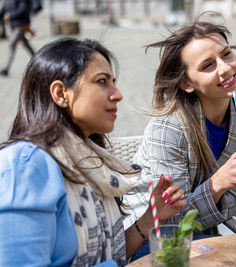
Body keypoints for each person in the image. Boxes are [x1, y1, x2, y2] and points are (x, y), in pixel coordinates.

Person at [0, 38, 186, 266]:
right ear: (60, 93)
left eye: (113, 82)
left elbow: (110, 257)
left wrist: (150, 216)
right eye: (101, 82)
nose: (118, 95)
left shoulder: (94, 162)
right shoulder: (25, 165)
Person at [123, 18, 236, 240]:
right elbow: (170, 218)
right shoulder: (169, 129)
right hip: (148, 238)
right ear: (186, 83)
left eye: (226, 53)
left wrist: (219, 193)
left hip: (204, 232)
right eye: (208, 65)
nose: (226, 68)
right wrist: (217, 184)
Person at [0, 0, 35, 77]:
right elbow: (3, 10)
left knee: (12, 44)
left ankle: (6, 68)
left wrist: (10, 15)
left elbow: (23, 9)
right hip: (13, 26)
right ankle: (37, 58)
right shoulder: (6, 1)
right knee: (26, 45)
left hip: (21, 25)